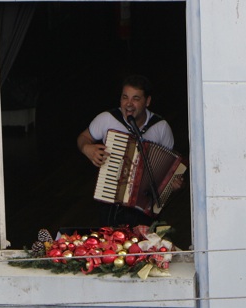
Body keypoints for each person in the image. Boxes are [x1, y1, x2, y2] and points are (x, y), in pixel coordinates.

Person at [76, 75, 181, 226]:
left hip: (144, 207)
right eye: (125, 97)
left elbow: (169, 168)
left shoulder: (160, 127)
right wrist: (86, 148)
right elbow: (83, 137)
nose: (129, 104)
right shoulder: (107, 119)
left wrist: (173, 183)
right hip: (111, 203)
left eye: (136, 98)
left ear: (148, 101)